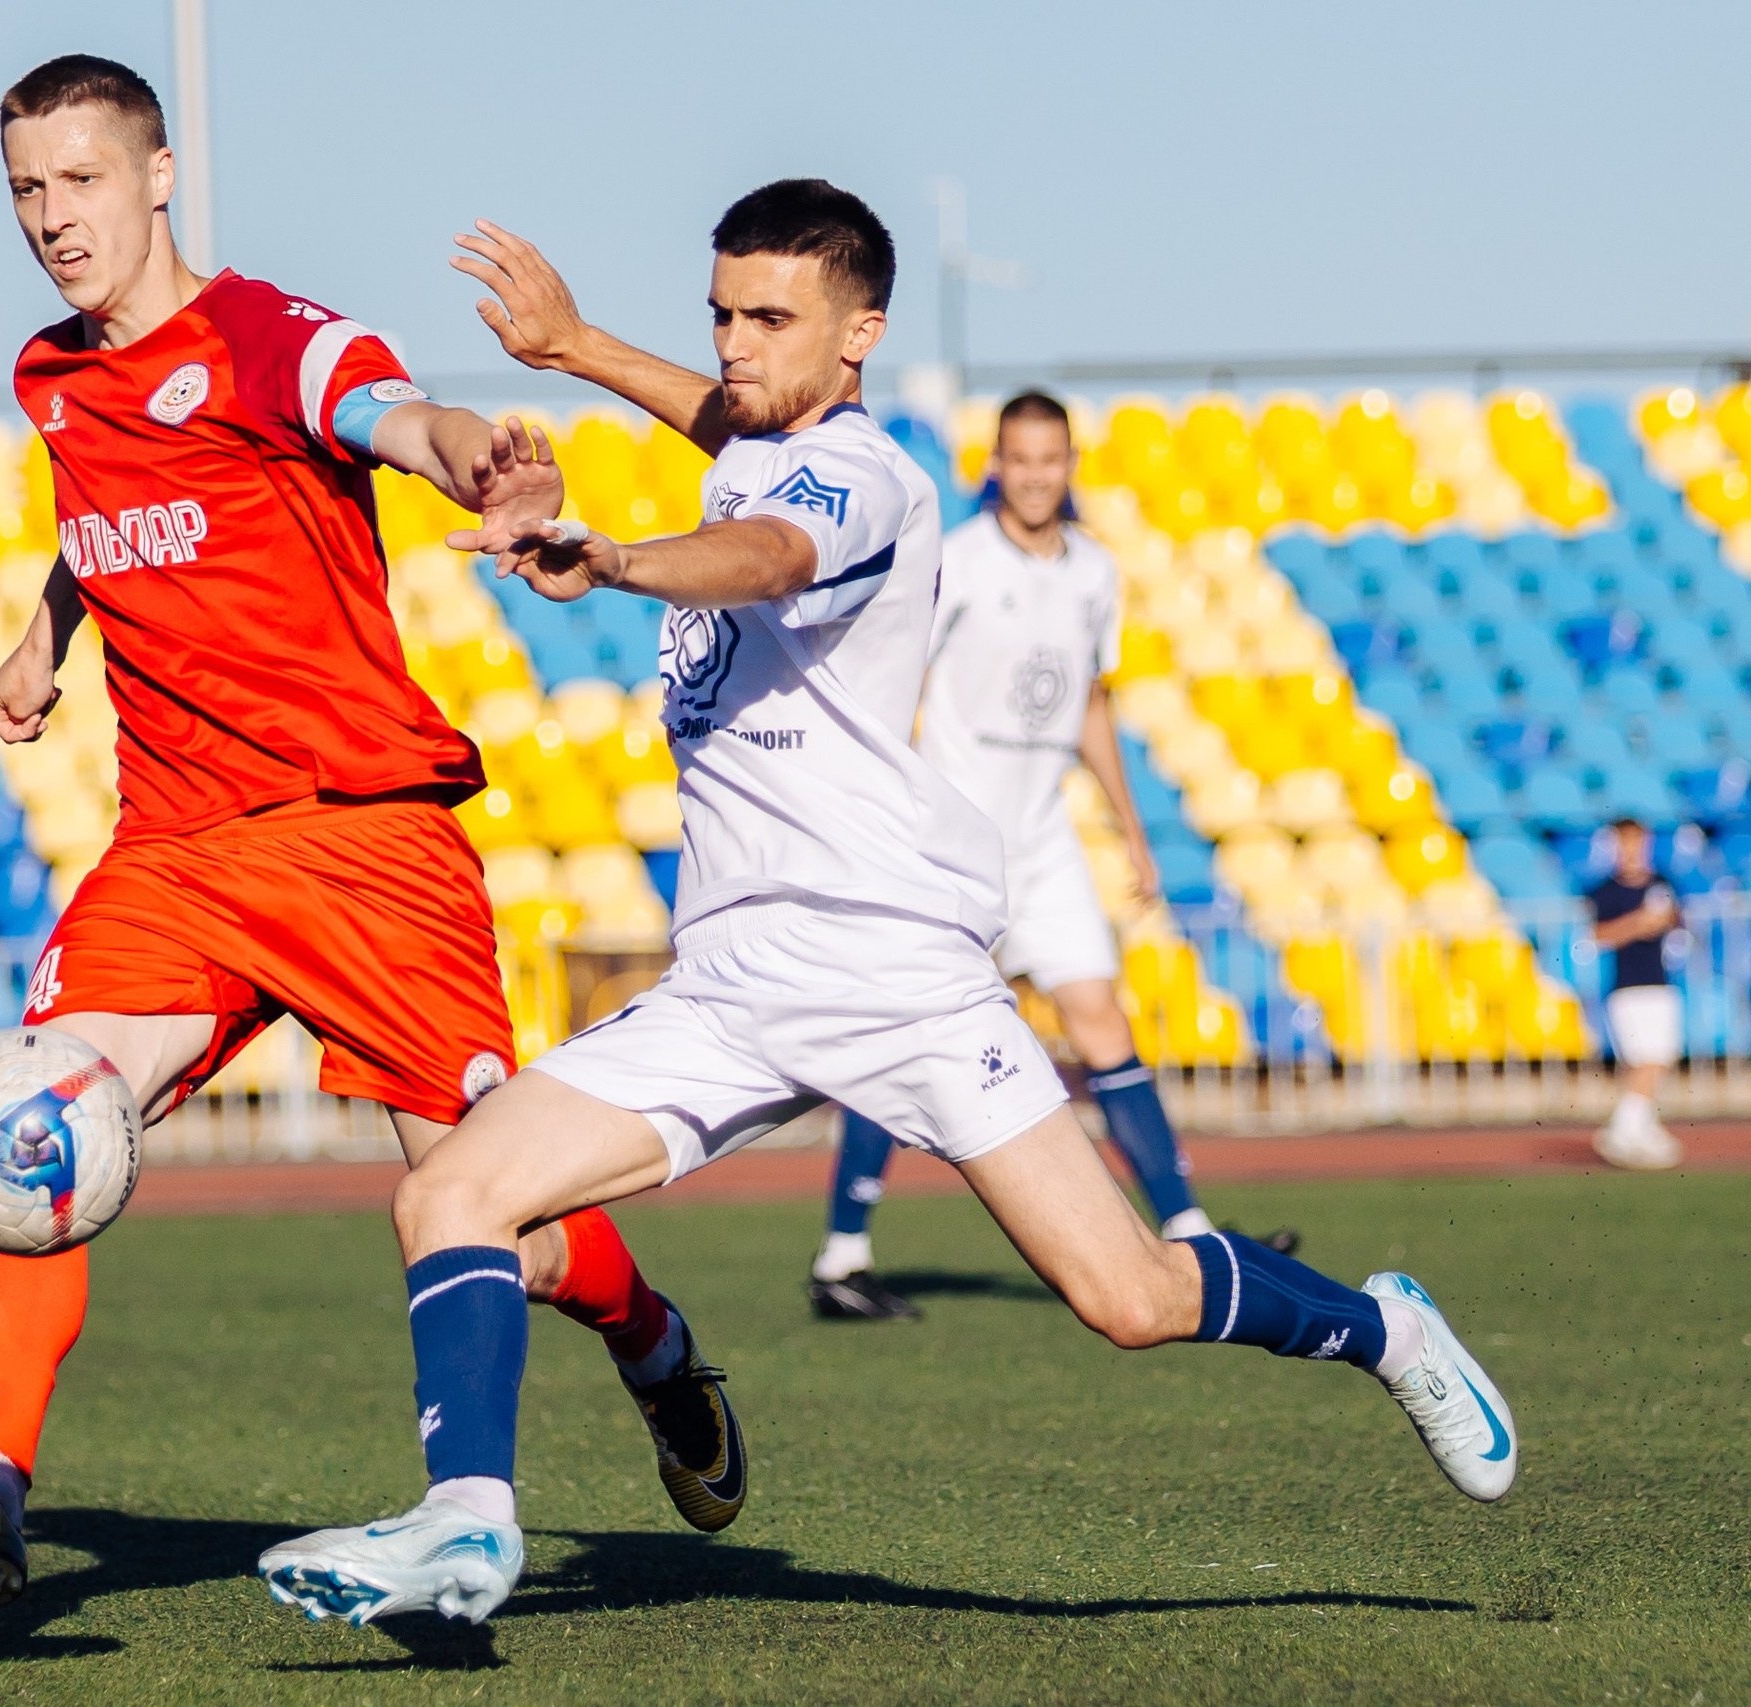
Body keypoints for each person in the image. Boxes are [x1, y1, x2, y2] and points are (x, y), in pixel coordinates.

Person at [256, 181, 1519, 1629]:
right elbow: (729, 436)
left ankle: (1384, 1324)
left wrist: (610, 557)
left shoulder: (865, 482)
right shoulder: (760, 442)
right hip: (732, 984)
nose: (734, 343)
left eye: (770, 318)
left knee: (1130, 1299)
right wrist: (578, 345)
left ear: (861, 334)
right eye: (721, 311)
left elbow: (770, 554)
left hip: (896, 971)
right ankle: (466, 1524)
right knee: (450, 1190)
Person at [0, 55, 736, 1611]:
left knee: (483, 1208)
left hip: (363, 837)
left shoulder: (264, 333)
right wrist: (50, 633)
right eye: (28, 191)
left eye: (84, 181)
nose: (55, 219)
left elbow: (388, 411)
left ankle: (652, 1343)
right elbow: (103, 510)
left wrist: (478, 459)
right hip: (177, 851)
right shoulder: (55, 373)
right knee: (27, 1115)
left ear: (160, 174)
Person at [808, 391, 1292, 1323]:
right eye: (1019, 459)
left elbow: (1094, 705)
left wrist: (1130, 829)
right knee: (907, 1035)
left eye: (1051, 459)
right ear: (996, 463)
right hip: (950, 842)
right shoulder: (957, 558)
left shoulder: (1094, 573)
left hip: (1043, 838)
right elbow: (890, 675)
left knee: (1101, 1021)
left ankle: (1188, 1230)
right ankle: (842, 1254)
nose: (1035, 475)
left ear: (1070, 463)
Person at [1588, 817, 1683, 1169]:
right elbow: (1599, 936)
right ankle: (1624, 1128)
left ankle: (1641, 1126)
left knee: (1658, 1057)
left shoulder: (1661, 883)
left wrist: (1663, 920)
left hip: (1659, 981)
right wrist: (1637, 924)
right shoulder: (1606, 891)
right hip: (1627, 986)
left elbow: (1677, 920)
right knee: (1646, 1059)